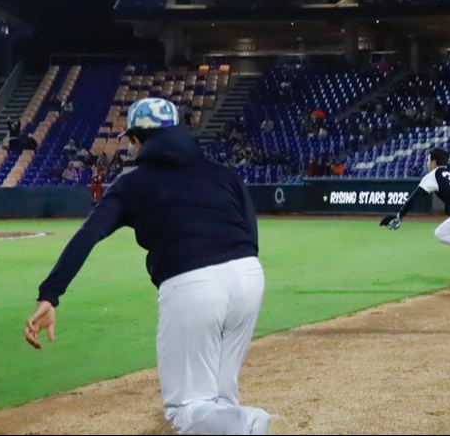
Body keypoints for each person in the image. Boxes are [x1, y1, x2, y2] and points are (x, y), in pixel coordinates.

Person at [24, 98, 269, 435]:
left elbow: (88, 235)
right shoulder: (222, 173)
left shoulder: (131, 183)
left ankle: (258, 427)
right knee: (220, 398)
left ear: (137, 140)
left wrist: (49, 294)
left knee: (187, 409)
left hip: (192, 282)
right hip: (248, 274)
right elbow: (249, 226)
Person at [381, 147, 450, 283]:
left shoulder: (433, 175)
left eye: (429, 160)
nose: (428, 163)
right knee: (440, 233)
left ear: (434, 162)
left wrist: (400, 216)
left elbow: (413, 198)